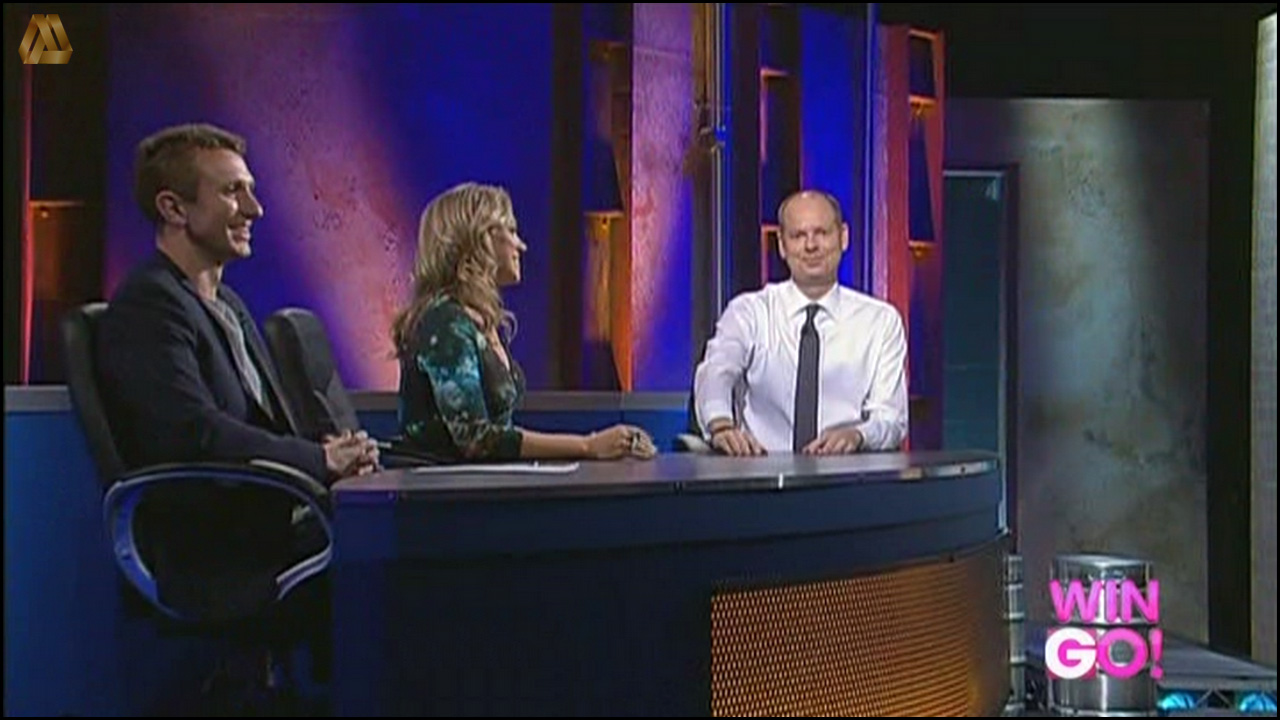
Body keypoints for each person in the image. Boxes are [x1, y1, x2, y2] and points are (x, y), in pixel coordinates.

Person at [98, 123, 379, 480]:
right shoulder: (149, 304)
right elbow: (193, 433)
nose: (254, 209)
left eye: (250, 190)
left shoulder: (228, 304)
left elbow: (262, 423)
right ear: (174, 209)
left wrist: (340, 452)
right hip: (218, 507)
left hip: (274, 497)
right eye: (232, 191)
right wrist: (318, 459)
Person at [391, 181, 657, 462]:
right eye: (510, 230)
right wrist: (588, 446)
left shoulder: (482, 322)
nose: (521, 245)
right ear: (478, 240)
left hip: (483, 481)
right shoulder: (445, 323)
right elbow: (477, 440)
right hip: (439, 485)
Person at [693, 189, 909, 456]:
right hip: (762, 471)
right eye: (798, 236)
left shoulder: (880, 322)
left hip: (847, 473)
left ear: (843, 237)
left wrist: (858, 435)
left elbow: (891, 418)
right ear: (782, 245)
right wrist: (721, 425)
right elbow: (717, 370)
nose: (810, 246)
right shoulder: (749, 312)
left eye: (822, 233)